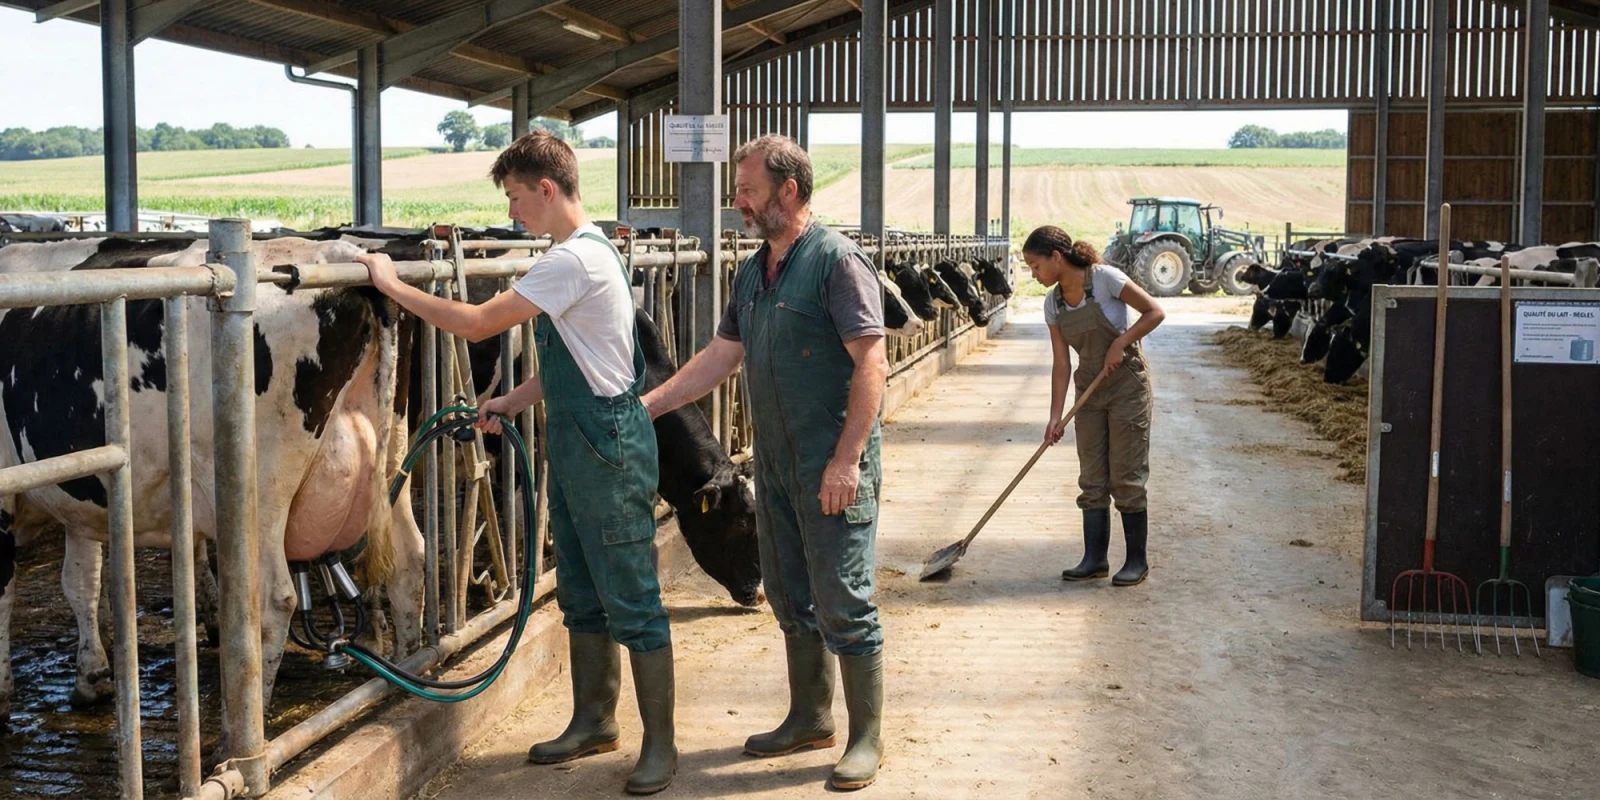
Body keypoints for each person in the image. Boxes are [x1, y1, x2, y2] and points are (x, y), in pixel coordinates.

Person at [355, 131, 676, 795]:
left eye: (516, 198)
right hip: (583, 433)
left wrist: (391, 284)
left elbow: (476, 325)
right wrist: (511, 397)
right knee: (583, 591)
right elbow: (582, 359)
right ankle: (595, 720)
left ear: (547, 189)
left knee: (632, 596)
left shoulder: (572, 261)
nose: (512, 214)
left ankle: (662, 747)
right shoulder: (584, 252)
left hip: (607, 441)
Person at [639, 134, 889, 791]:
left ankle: (866, 736)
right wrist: (653, 404)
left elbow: (872, 361)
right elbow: (722, 356)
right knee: (787, 588)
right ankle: (810, 714)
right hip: (775, 463)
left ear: (788, 190)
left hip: (830, 460)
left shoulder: (836, 261)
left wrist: (848, 460)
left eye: (746, 189)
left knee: (844, 595)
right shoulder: (753, 271)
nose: (737, 201)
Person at [1022, 225, 1166, 586]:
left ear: (1056, 258)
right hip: (1088, 388)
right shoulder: (1053, 304)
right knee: (1092, 477)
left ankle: (1137, 561)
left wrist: (1121, 343)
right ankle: (1094, 559)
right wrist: (1055, 417)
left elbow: (1154, 312)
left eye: (1035, 266)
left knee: (1126, 476)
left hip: (1125, 387)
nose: (1033, 274)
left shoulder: (1105, 280)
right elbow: (1060, 364)